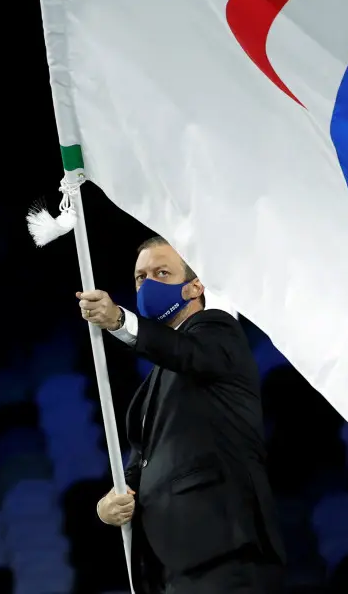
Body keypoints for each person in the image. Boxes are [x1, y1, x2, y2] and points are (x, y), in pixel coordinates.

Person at [78, 236, 285, 593]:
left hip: (224, 554)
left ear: (195, 286)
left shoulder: (218, 331)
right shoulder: (159, 376)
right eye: (141, 277)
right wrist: (110, 503)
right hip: (170, 570)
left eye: (162, 273)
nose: (148, 284)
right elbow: (142, 459)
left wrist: (119, 321)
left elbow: (184, 353)